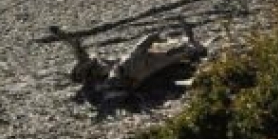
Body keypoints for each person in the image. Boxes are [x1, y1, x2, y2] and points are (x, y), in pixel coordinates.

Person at [49, 23, 205, 98]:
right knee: (158, 55)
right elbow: (76, 46)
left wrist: (61, 34)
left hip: (130, 71)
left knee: (162, 57)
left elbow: (76, 45)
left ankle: (189, 46)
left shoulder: (93, 69)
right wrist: (61, 34)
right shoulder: (92, 73)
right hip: (128, 69)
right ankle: (191, 47)